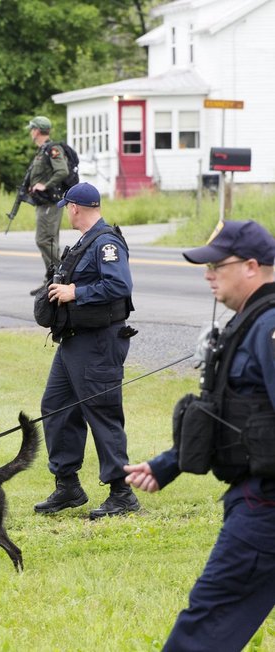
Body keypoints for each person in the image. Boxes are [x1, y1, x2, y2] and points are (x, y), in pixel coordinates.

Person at [124, 220, 275, 651]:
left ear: (250, 266)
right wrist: (168, 464)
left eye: (216, 266)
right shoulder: (249, 322)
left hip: (264, 507)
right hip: (256, 495)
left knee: (205, 625)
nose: (207, 275)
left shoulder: (269, 327)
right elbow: (228, 414)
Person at [33, 182, 139, 518]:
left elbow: (119, 284)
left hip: (98, 342)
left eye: (67, 206)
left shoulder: (106, 242)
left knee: (101, 411)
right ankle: (68, 486)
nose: (66, 211)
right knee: (56, 407)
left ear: (75, 208)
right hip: (73, 341)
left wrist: (75, 292)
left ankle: (122, 493)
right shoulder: (84, 242)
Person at [24, 116, 69, 294]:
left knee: (45, 240)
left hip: (51, 202)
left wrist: (46, 185)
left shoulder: (52, 149)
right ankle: (51, 279)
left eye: (31, 129)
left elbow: (62, 170)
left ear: (36, 131)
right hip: (43, 203)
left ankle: (60, 276)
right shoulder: (42, 151)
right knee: (49, 241)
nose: (30, 132)